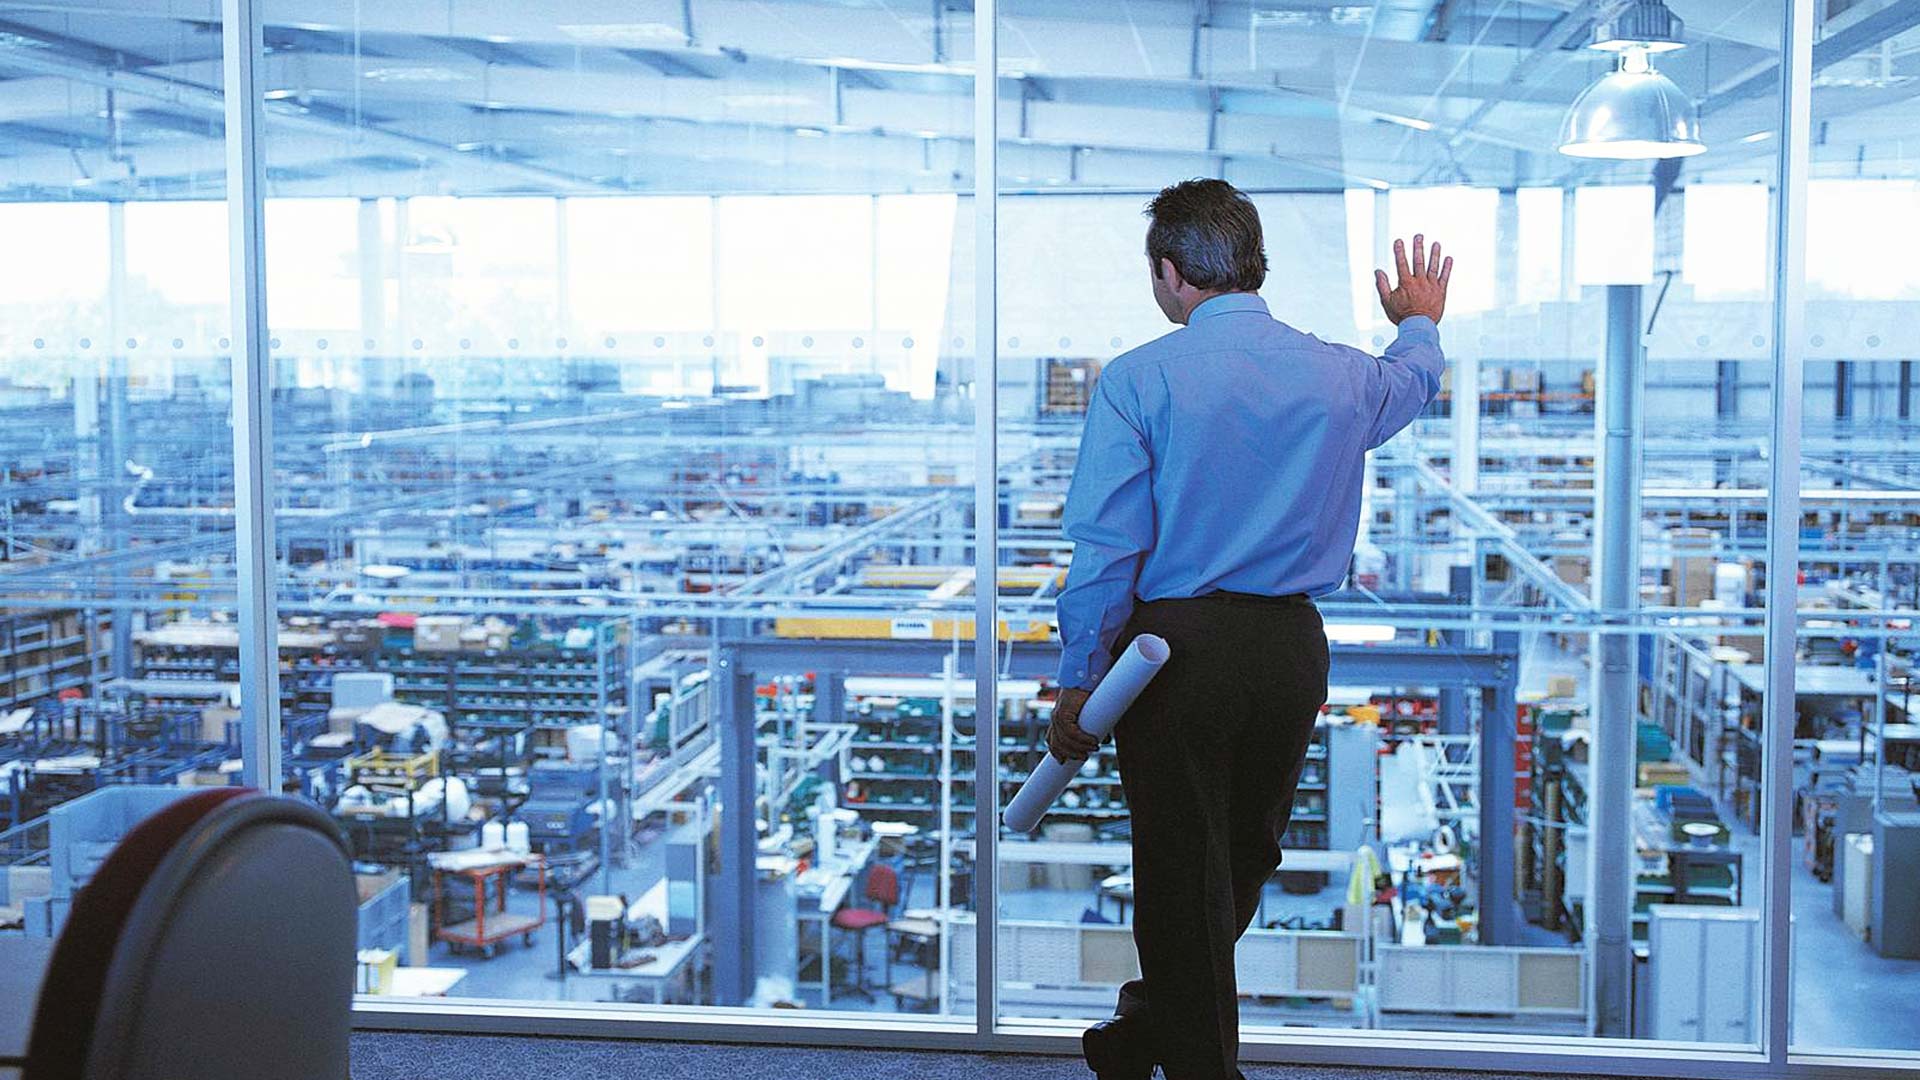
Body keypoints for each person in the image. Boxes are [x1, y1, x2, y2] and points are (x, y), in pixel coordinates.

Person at [1046, 178, 1450, 1080]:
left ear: (1169, 271)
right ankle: (1144, 1032)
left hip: (1172, 657)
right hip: (1289, 653)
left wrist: (1080, 677)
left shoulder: (1139, 380)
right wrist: (1419, 320)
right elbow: (1414, 380)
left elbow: (1109, 545)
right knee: (1241, 857)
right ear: (1254, 263)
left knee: (1180, 866)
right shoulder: (1343, 375)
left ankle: (1191, 1062)